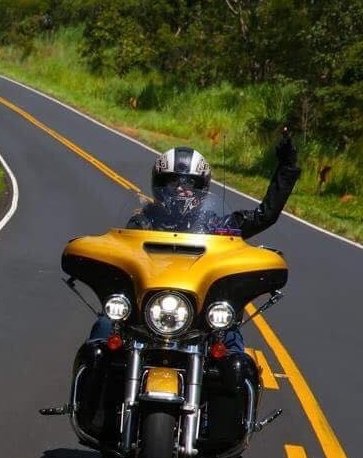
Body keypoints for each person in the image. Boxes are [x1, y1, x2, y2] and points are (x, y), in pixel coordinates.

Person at [88, 128, 301, 352]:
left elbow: (264, 216)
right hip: (146, 313)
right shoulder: (141, 222)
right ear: (159, 185)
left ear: (201, 188)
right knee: (100, 340)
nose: (181, 190)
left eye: (189, 184)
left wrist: (286, 167)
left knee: (236, 359)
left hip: (204, 319)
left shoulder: (219, 225)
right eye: (172, 183)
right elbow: (120, 253)